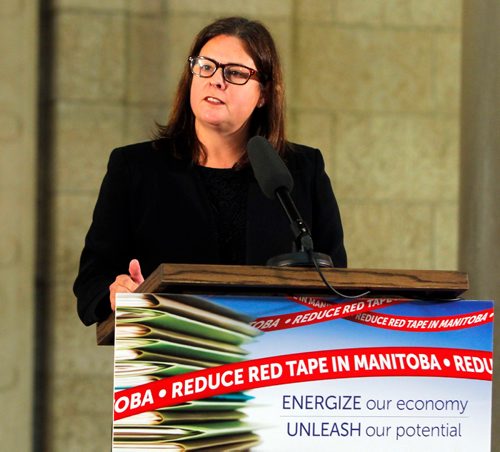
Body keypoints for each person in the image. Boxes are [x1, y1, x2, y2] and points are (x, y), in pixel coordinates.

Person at [73, 16, 347, 326]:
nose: (216, 80)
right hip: (172, 352)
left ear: (265, 94)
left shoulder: (301, 170)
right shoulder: (136, 168)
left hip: (275, 363)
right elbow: (91, 281)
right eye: (206, 66)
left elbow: (336, 281)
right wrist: (116, 290)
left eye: (235, 73)